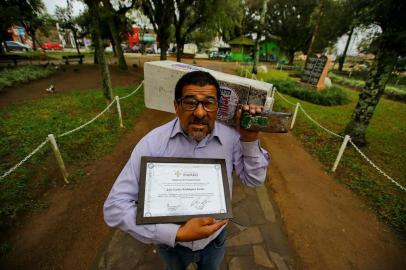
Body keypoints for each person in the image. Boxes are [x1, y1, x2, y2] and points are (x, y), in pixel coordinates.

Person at [104, 71, 270, 270]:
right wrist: (175, 234)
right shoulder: (152, 143)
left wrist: (250, 139)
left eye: (209, 103)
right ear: (176, 106)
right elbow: (115, 207)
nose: (200, 113)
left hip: (214, 241)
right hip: (172, 245)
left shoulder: (232, 139)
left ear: (218, 107)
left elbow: (255, 180)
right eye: (190, 103)